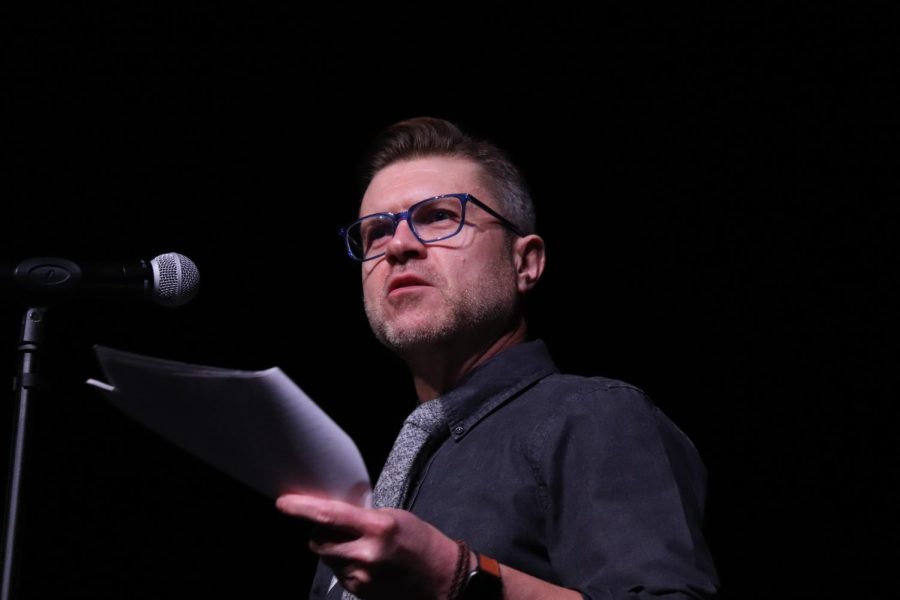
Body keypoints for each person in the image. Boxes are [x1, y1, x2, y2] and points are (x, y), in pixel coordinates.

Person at [276, 117, 720, 599]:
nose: (399, 246)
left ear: (525, 262)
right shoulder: (391, 470)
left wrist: (458, 575)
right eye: (377, 231)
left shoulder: (594, 416)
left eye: (440, 216)